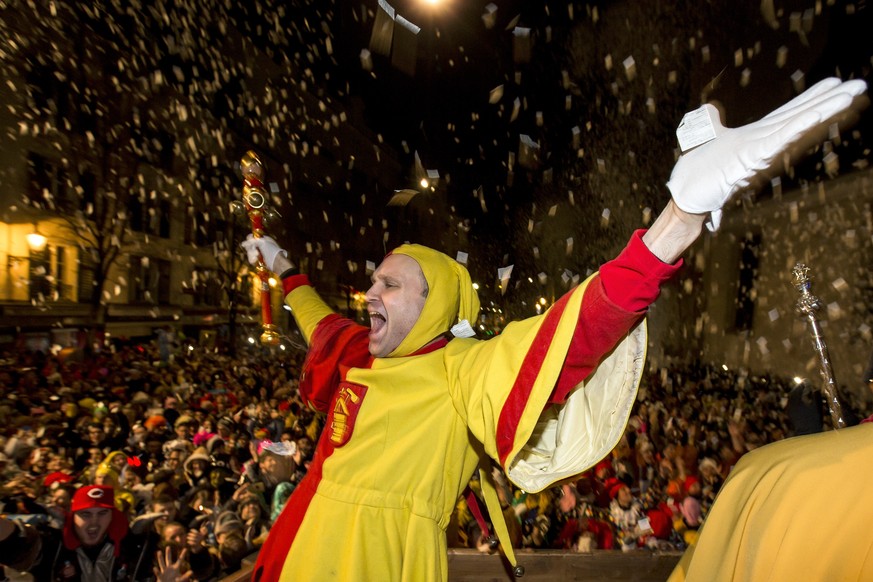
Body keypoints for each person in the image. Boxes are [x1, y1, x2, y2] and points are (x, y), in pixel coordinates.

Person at [240, 78, 867, 581]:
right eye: (374, 282)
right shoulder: (357, 351)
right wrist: (282, 266)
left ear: (432, 309)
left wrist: (678, 218)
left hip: (372, 561)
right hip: (292, 544)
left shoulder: (460, 371)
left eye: (390, 285)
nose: (370, 293)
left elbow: (566, 336)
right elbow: (316, 318)